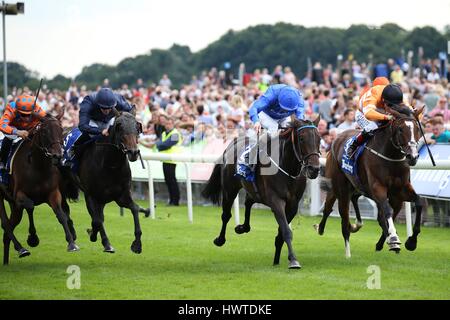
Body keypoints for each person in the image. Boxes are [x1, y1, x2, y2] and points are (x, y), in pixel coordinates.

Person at [237, 84, 305, 181]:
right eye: (283, 107)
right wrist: (256, 121)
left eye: (287, 109)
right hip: (265, 114)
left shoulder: (299, 100)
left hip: (283, 118)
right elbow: (254, 108)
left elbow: (300, 119)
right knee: (274, 127)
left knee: (290, 131)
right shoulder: (272, 93)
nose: (284, 110)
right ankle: (247, 156)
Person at [63, 87, 133, 166]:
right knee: (92, 134)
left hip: (110, 119)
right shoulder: (88, 102)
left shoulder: (119, 100)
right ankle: (74, 150)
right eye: (104, 108)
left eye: (109, 108)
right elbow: (82, 126)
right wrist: (100, 131)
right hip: (93, 121)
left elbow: (131, 110)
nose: (107, 111)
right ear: (98, 104)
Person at [346, 84, 403, 158]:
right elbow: (368, 114)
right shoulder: (373, 95)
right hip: (363, 114)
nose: (393, 108)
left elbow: (407, 107)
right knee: (372, 127)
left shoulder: (397, 96)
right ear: (383, 100)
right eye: (391, 105)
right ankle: (353, 144)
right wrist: (386, 117)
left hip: (380, 112)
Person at [0, 94, 46, 170]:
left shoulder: (37, 108)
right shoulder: (12, 107)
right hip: (15, 129)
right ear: (17, 110)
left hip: (31, 129)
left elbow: (47, 119)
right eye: (23, 115)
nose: (27, 118)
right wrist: (17, 132)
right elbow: (2, 125)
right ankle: (2, 161)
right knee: (10, 137)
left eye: (29, 115)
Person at [155, 117, 182, 206]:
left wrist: (159, 144)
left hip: (172, 160)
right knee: (168, 181)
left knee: (172, 181)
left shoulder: (175, 134)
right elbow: (160, 144)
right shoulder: (164, 133)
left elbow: (166, 145)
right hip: (165, 159)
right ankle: (171, 200)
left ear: (173, 124)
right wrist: (160, 144)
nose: (167, 126)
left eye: (169, 124)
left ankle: (175, 201)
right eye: (166, 124)